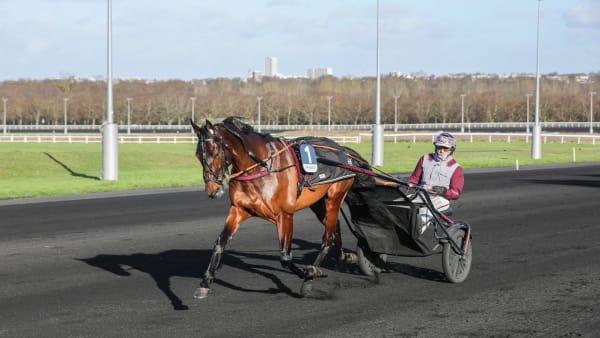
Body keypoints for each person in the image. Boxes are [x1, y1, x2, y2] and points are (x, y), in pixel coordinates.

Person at [407, 132, 464, 230]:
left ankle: (414, 234)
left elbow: (456, 193)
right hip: (421, 194)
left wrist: (444, 191)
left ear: (451, 149)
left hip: (441, 199)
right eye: (439, 147)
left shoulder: (456, 168)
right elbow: (414, 179)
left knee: (425, 212)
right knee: (400, 204)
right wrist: (406, 183)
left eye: (445, 148)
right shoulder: (424, 159)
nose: (441, 151)